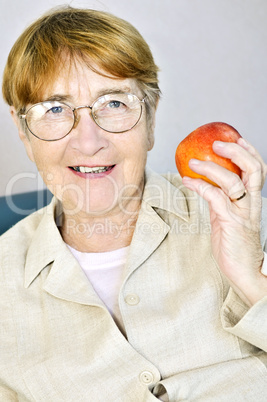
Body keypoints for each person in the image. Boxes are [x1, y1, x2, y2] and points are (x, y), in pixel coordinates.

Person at [1, 6, 267, 401]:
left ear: (151, 120)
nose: (89, 142)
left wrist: (251, 281)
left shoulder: (236, 215)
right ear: (24, 133)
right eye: (54, 109)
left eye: (114, 103)